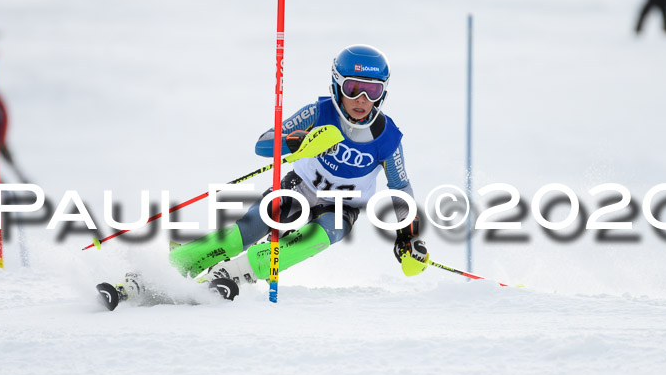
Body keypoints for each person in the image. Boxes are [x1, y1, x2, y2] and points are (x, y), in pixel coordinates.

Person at [100, 45, 428, 308]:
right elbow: (263, 144)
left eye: (372, 90)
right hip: (299, 188)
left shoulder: (388, 137)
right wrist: (294, 143)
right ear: (336, 84)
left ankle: (237, 273)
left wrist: (407, 236)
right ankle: (158, 273)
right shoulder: (319, 111)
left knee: (314, 239)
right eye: (353, 88)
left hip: (343, 206)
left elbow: (401, 188)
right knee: (245, 230)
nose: (362, 100)